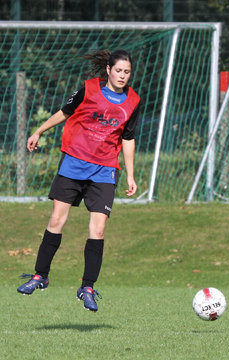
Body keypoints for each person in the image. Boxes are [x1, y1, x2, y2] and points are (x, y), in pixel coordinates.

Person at [17, 49, 141, 312]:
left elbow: (128, 138)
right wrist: (39, 131)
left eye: (127, 72)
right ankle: (40, 276)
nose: (122, 75)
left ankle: (87, 287)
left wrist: (130, 174)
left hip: (105, 170)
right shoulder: (88, 89)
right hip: (74, 163)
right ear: (108, 70)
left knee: (98, 230)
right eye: (118, 70)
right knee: (56, 221)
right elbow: (65, 112)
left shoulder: (132, 101)